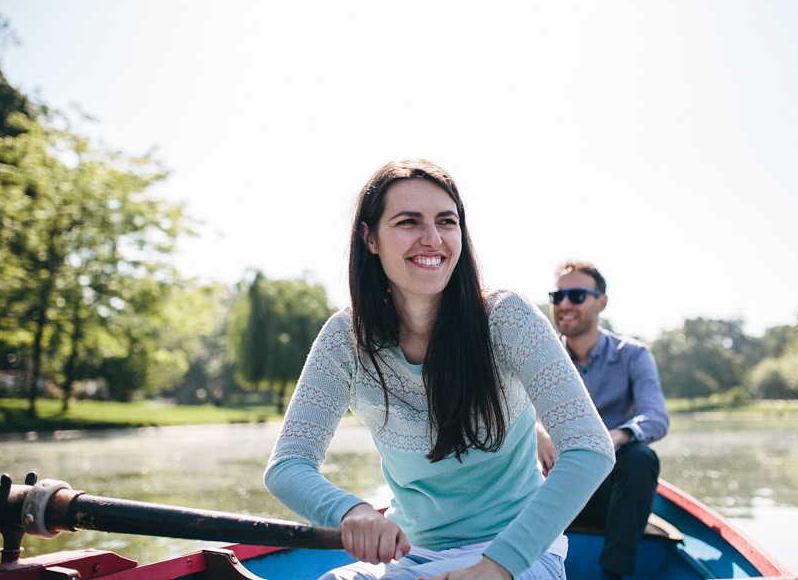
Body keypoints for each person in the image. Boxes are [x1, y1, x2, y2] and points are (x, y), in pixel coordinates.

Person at [265, 160, 615, 580]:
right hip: (412, 556)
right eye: (409, 222)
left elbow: (589, 448)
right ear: (369, 237)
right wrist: (350, 510)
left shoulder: (507, 318)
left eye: (446, 222)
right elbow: (288, 464)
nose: (432, 239)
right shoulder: (345, 340)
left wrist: (498, 566)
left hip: (518, 554)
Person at [535, 262, 668, 580]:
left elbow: (655, 417)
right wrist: (537, 433)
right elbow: (507, 408)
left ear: (601, 302)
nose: (564, 304)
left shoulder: (633, 354)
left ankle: (615, 574)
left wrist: (612, 437)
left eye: (577, 295)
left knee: (640, 457)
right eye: (558, 296)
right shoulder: (539, 355)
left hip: (612, 492)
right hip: (556, 485)